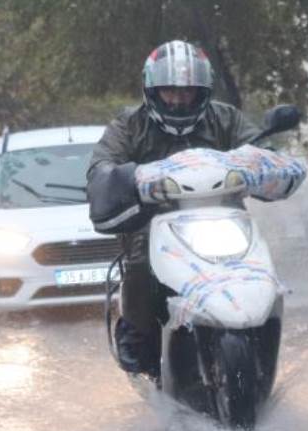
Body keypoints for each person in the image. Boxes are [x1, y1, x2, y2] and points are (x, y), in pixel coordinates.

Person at [87, 40, 261, 377]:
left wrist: (269, 160)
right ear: (152, 90)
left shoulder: (225, 119)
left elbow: (260, 148)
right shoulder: (129, 125)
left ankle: (261, 318)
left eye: (188, 92)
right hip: (153, 223)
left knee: (257, 255)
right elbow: (102, 167)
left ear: (204, 92)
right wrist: (119, 179)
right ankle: (136, 332)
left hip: (224, 218)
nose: (179, 99)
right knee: (141, 263)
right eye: (169, 91)